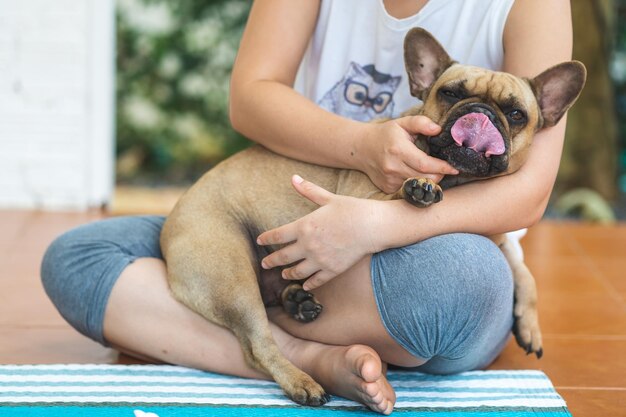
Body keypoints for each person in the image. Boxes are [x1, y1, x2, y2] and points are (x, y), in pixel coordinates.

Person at [41, 0, 573, 414]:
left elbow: (529, 193)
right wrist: (363, 148)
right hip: (276, 224)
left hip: (427, 270)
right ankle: (296, 354)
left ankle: (239, 321)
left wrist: (375, 225)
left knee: (460, 278)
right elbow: (248, 97)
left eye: (511, 115)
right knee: (78, 256)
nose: (475, 119)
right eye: (455, 99)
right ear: (424, 86)